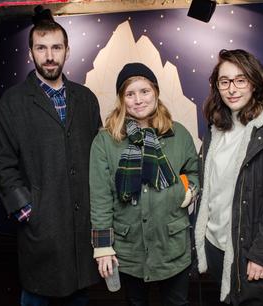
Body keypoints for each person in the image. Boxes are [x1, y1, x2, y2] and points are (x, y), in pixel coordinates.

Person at [0, 6, 101, 306]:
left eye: (56, 47)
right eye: (41, 48)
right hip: (42, 225)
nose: (49, 55)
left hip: (81, 225)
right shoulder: (13, 102)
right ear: (31, 52)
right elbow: (3, 162)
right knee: (37, 294)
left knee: (79, 294)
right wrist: (27, 211)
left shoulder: (86, 99)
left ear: (67, 51)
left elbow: (99, 158)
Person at [194, 49, 263, 305]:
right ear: (217, 86)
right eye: (224, 81)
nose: (232, 88)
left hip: (254, 250)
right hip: (217, 244)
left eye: (240, 80)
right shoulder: (216, 128)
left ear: (254, 82)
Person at [89, 62, 199, 306]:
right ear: (122, 99)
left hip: (173, 244)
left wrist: (190, 189)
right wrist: (103, 247)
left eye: (144, 91)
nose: (138, 100)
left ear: (156, 93)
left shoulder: (178, 134)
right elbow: (100, 197)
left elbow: (193, 171)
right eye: (130, 94)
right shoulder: (105, 141)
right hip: (130, 249)